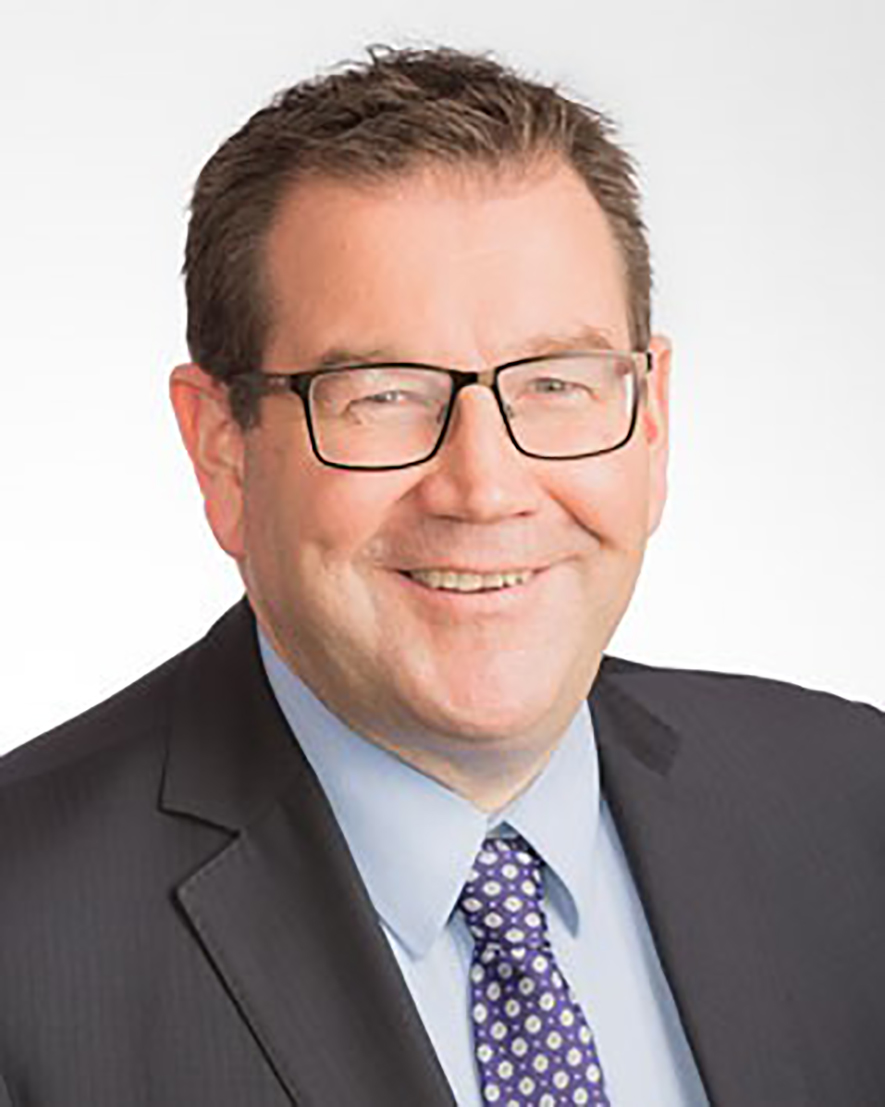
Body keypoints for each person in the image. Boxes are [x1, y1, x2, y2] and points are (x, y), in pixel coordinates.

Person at [1, 44, 883, 1107]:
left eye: (556, 382)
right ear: (222, 451)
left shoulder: (853, 807)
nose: (484, 488)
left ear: (651, 424)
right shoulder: (24, 935)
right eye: (383, 393)